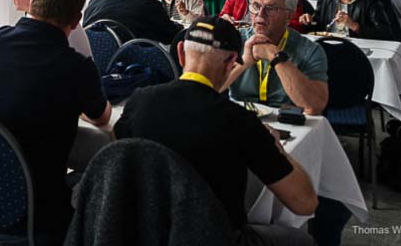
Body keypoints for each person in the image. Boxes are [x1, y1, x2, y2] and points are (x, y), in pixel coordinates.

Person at [115, 16, 318, 246]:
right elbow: (305, 203)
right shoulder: (240, 122)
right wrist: (276, 147)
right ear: (232, 61)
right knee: (301, 240)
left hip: (146, 231)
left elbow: (117, 151)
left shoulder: (139, 101)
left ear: (180, 52)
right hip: (216, 236)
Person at [0, 0, 108, 235]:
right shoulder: (76, 67)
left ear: (33, 2)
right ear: (76, 21)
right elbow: (101, 117)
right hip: (30, 207)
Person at [225, 0, 328, 114]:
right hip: (238, 119)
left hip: (286, 123)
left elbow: (314, 106)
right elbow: (205, 92)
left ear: (289, 16)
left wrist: (276, 57)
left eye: (271, 8)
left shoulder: (310, 50)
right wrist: (245, 62)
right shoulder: (233, 40)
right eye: (255, 6)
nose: (260, 14)